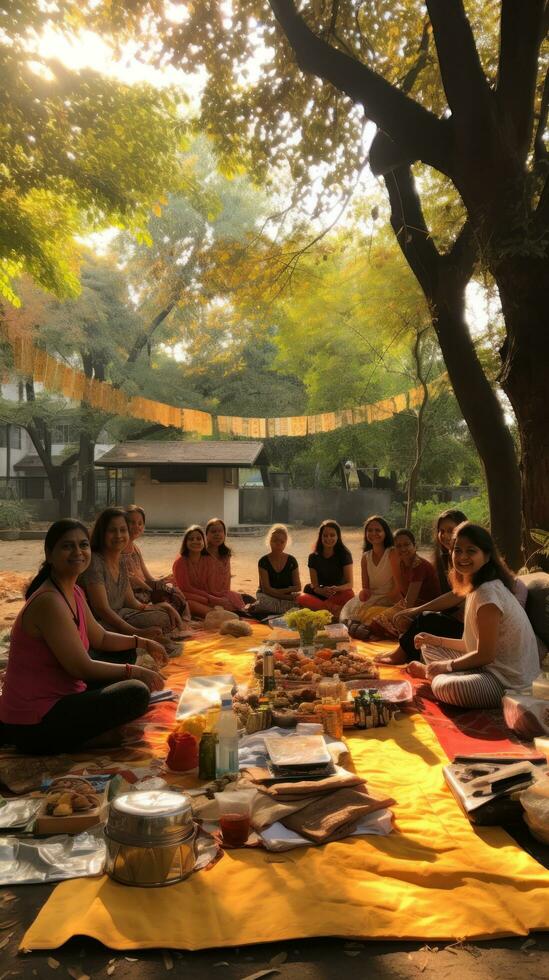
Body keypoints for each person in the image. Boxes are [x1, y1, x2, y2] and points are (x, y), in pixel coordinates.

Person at [0, 520, 164, 755]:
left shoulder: (74, 590)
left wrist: (142, 642)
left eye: (83, 545)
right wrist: (136, 671)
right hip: (34, 723)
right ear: (49, 554)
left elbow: (102, 639)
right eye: (68, 546)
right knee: (136, 692)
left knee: (124, 652)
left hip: (66, 691)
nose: (78, 552)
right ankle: (86, 740)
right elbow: (81, 667)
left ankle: (92, 732)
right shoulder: (49, 601)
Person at [406, 522, 540, 709]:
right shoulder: (476, 587)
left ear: (486, 556)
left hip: (507, 683)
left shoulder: (487, 593)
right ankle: (440, 673)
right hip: (486, 666)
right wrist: (435, 640)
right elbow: (471, 646)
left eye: (471, 551)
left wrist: (445, 667)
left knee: (447, 687)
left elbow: (485, 654)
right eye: (457, 550)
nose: (462, 557)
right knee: (428, 647)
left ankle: (432, 675)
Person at [80, 508, 183, 653]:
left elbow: (131, 601)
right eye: (112, 530)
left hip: (122, 615)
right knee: (156, 622)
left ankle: (142, 640)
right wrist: (135, 631)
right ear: (102, 533)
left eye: (123, 530)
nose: (118, 535)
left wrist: (160, 606)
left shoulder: (120, 560)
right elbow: (101, 609)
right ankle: (138, 641)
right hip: (101, 624)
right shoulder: (95, 562)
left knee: (165, 615)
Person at [377, 509, 468, 664]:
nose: (445, 535)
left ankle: (401, 654)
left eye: (451, 530)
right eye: (441, 531)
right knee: (418, 617)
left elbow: (458, 595)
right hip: (453, 617)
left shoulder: (464, 559)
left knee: (425, 618)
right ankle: (404, 652)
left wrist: (415, 611)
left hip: (469, 627)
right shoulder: (445, 559)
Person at [368, 528, 441, 638]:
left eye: (407, 544)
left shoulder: (419, 565)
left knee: (388, 624)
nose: (403, 549)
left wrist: (399, 615)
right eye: (398, 546)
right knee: (375, 624)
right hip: (412, 603)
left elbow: (410, 602)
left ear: (414, 546)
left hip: (426, 607)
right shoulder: (403, 563)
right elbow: (405, 594)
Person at [123, 505, 191, 622]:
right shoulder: (119, 549)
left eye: (140, 523)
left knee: (175, 591)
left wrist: (163, 581)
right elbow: (130, 580)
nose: (136, 526)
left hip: (145, 588)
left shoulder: (135, 548)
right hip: (133, 595)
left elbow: (147, 576)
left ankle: (185, 622)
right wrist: (151, 587)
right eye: (132, 522)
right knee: (165, 605)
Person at [340, 516, 401, 624]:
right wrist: (364, 595)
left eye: (378, 530)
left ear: (385, 532)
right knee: (347, 613)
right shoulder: (365, 557)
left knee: (370, 616)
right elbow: (366, 588)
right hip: (372, 597)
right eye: (370, 530)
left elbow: (397, 588)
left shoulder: (392, 553)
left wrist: (386, 603)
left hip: (389, 598)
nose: (374, 533)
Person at [172, 525, 242, 618]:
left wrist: (218, 598)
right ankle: (215, 613)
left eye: (198, 539)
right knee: (191, 603)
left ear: (204, 542)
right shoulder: (181, 561)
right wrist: (210, 598)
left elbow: (211, 586)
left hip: (205, 596)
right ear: (185, 543)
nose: (195, 541)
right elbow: (186, 588)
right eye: (191, 539)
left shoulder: (208, 560)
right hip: (186, 595)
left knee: (229, 598)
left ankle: (218, 612)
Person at [297, 520, 354, 617]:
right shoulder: (313, 557)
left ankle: (323, 611)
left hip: (338, 593)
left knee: (349, 594)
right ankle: (332, 611)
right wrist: (321, 591)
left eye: (332, 535)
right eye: (325, 535)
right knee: (301, 596)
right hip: (321, 593)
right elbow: (315, 585)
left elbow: (350, 584)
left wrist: (337, 588)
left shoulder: (344, 555)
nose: (328, 538)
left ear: (338, 537)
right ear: (320, 537)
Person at [253, 524, 301, 617]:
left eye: (282, 542)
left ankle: (275, 610)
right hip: (268, 597)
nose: (278, 544)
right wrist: (287, 596)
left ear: (286, 543)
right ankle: (280, 610)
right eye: (275, 541)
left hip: (283, 597)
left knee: (302, 601)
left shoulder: (292, 560)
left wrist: (276, 591)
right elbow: (266, 589)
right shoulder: (263, 561)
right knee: (265, 602)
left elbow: (298, 587)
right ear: (269, 541)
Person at [205, 518, 252, 610]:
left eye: (220, 531)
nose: (217, 534)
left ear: (224, 534)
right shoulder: (203, 555)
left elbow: (227, 579)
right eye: (213, 531)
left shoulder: (225, 554)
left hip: (224, 594)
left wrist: (227, 595)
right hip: (208, 597)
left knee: (250, 601)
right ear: (206, 535)